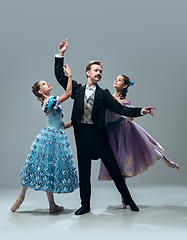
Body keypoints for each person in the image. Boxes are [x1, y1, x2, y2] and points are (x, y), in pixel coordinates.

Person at [55, 39, 155, 215]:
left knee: (114, 168)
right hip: (81, 134)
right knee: (84, 170)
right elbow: (60, 76)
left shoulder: (104, 94)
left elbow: (120, 108)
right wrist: (61, 54)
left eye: (101, 71)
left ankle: (129, 200)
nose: (99, 73)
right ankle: (85, 205)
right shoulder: (76, 89)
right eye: (96, 70)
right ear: (88, 72)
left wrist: (142, 111)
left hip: (98, 134)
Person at [98, 75, 179, 207]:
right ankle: (124, 197)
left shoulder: (124, 101)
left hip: (123, 130)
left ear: (125, 85)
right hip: (109, 133)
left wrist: (120, 106)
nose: (116, 80)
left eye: (119, 80)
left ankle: (167, 161)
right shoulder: (107, 96)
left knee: (148, 145)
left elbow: (130, 117)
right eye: (116, 79)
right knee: (117, 163)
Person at [11, 63, 79, 213]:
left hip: (54, 136)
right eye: (43, 84)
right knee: (38, 166)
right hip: (50, 138)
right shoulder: (49, 101)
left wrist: (74, 123)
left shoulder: (50, 102)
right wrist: (70, 76)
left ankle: (51, 205)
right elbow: (68, 94)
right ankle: (21, 197)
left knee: (47, 168)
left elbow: (60, 125)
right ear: (41, 92)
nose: (47, 83)